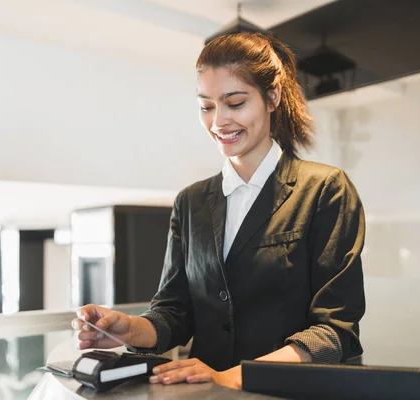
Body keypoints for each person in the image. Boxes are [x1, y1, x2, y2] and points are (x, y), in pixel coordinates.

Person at [73, 32, 366, 390]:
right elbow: (175, 312)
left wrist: (229, 377)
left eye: (235, 103)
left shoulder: (324, 189)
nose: (218, 122)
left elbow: (334, 333)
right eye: (206, 106)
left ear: (272, 97)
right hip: (208, 394)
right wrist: (129, 328)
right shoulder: (191, 201)